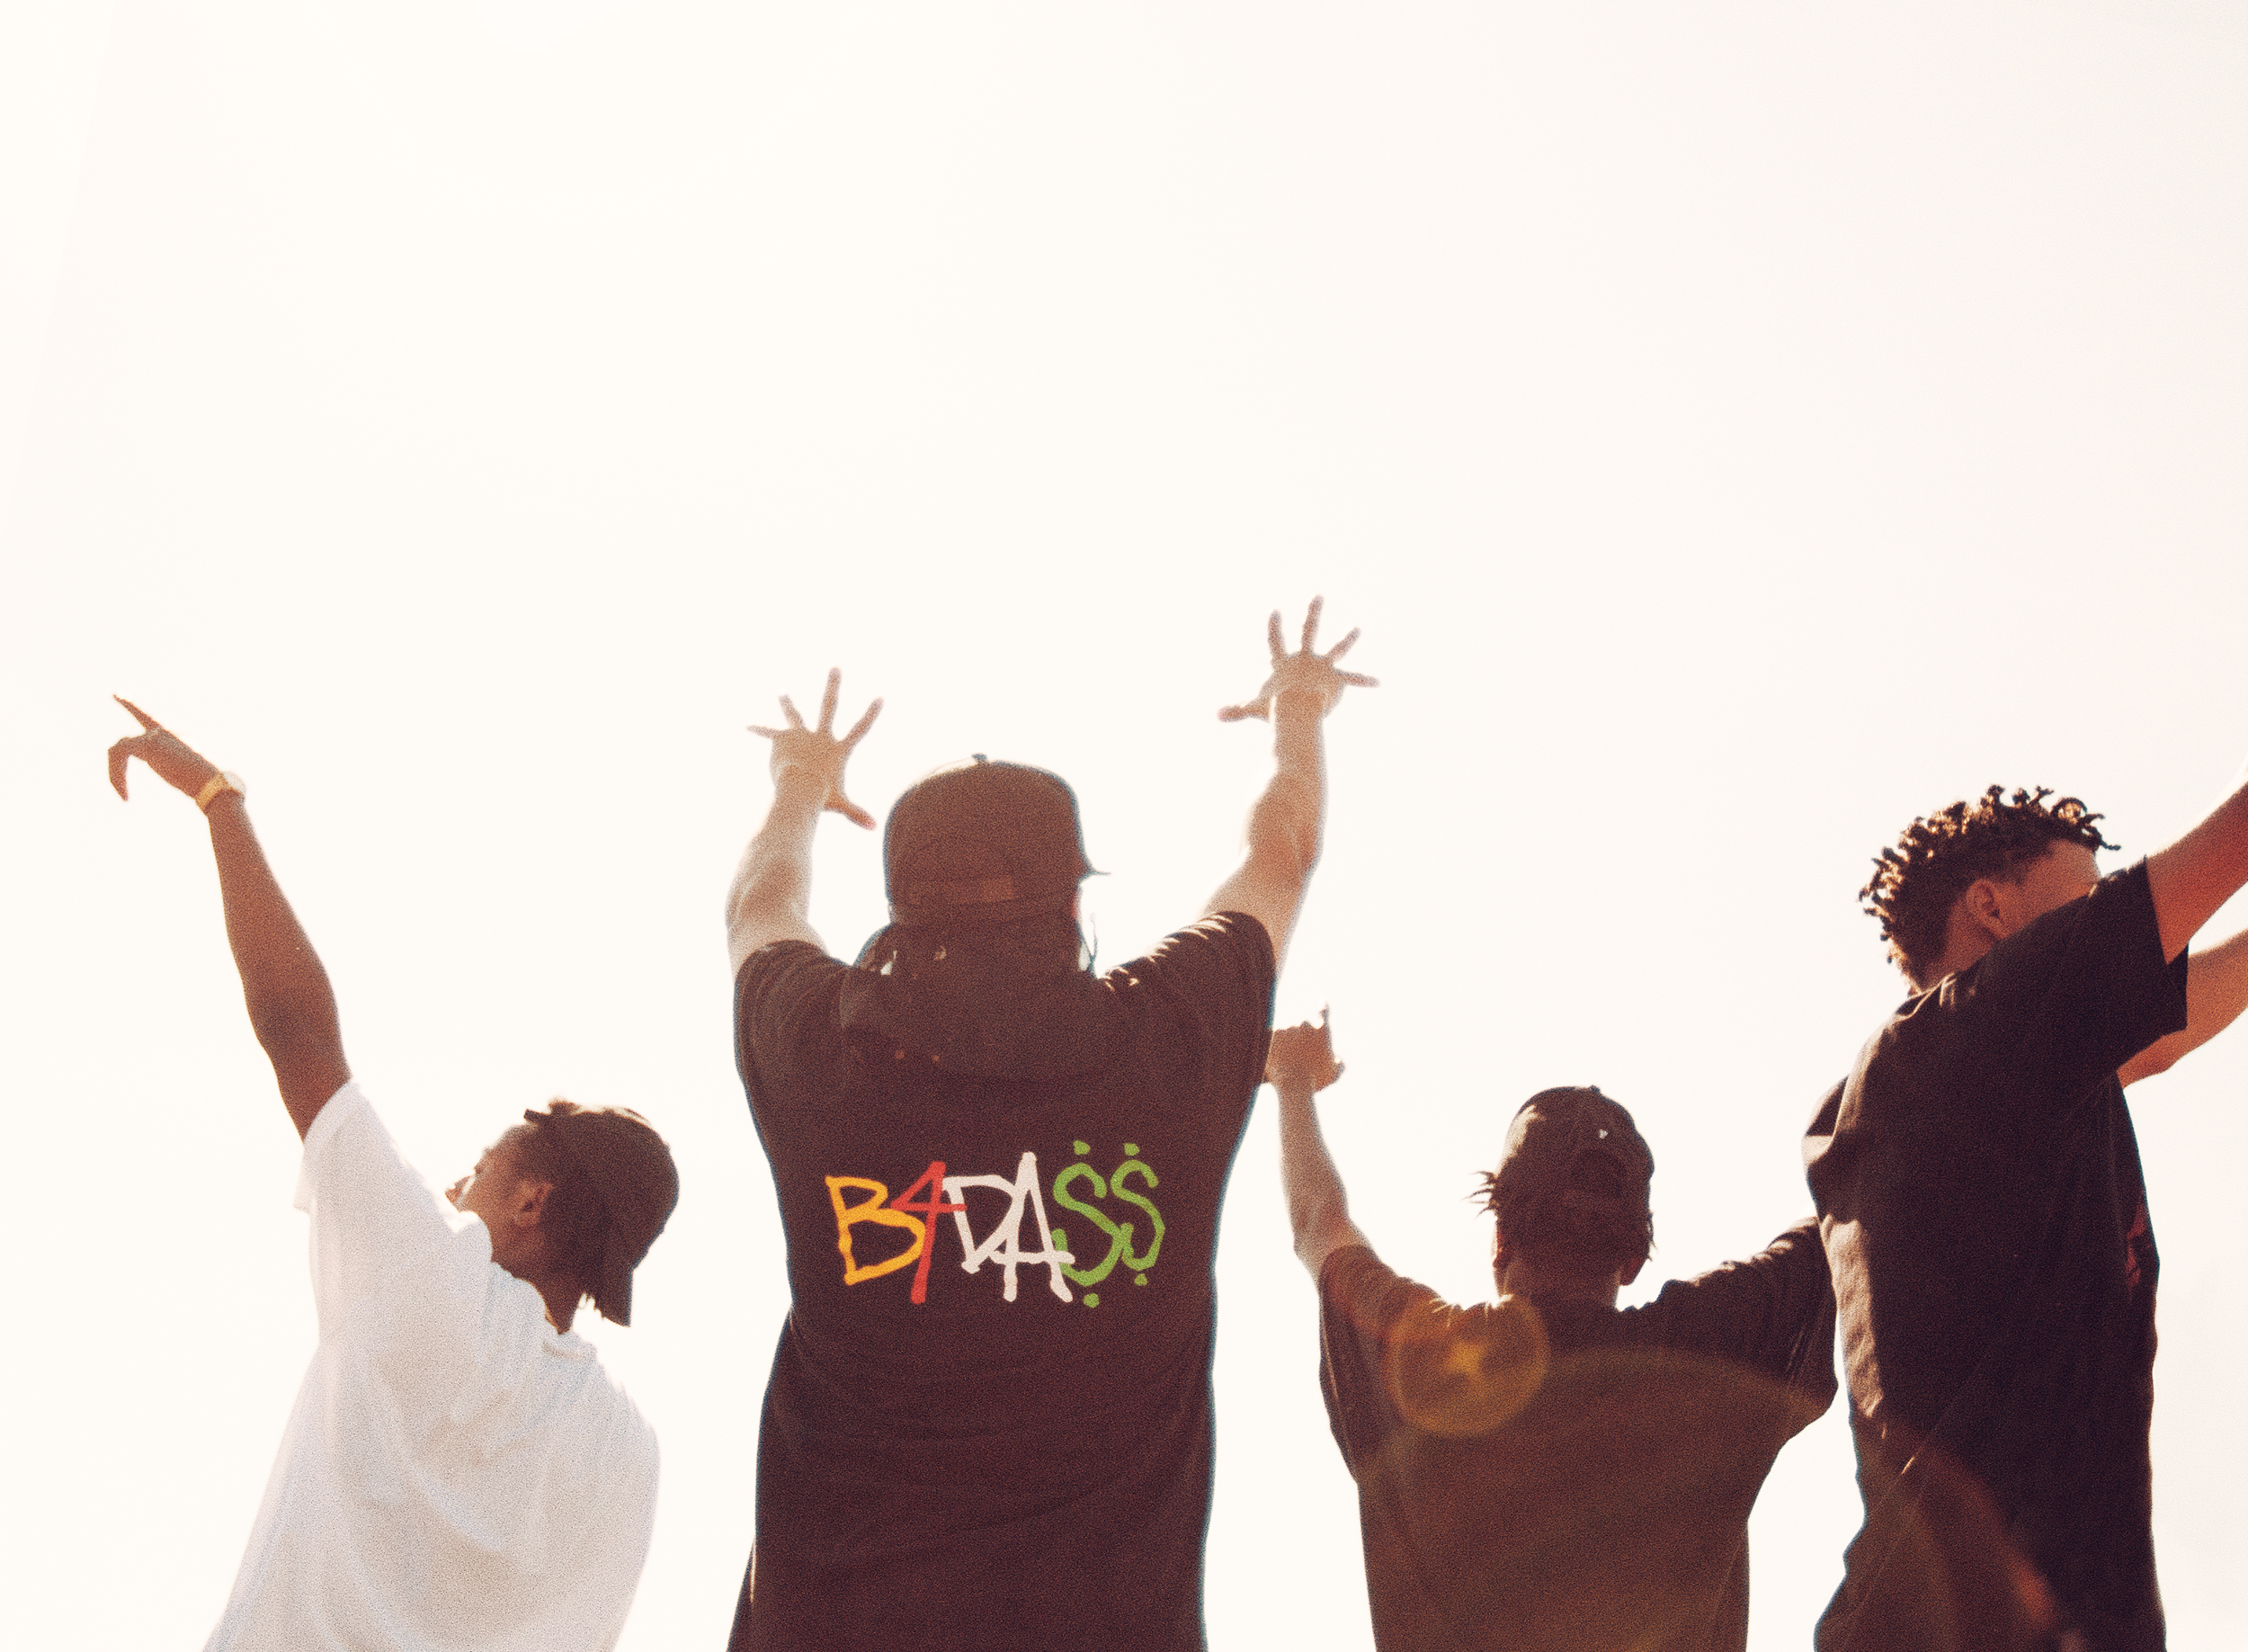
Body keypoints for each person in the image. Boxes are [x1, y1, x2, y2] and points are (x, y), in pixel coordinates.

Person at [721, 602, 1374, 1651]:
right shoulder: (1172, 1034)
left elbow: (760, 902)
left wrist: (800, 781)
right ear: (1072, 903)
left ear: (901, 902)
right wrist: (1297, 707)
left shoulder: (815, 1044)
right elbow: (1281, 850)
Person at [107, 698, 681, 1652]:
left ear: (531, 1200)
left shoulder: (435, 1275)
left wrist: (217, 797)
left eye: (479, 1167)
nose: (453, 1189)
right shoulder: (629, 1453)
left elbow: (297, 1033)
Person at [1806, 779, 2248, 1651]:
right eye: (2086, 897)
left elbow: (2167, 1027)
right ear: (1992, 907)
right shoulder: (1962, 1037)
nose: (2111, 923)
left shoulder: (1988, 1082)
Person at [1273, 1011, 1835, 1652]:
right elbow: (1856, 1190)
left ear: (1500, 1238)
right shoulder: (1706, 1351)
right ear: (1633, 1258)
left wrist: (1292, 1078)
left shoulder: (1418, 1361)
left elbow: (1318, 1221)